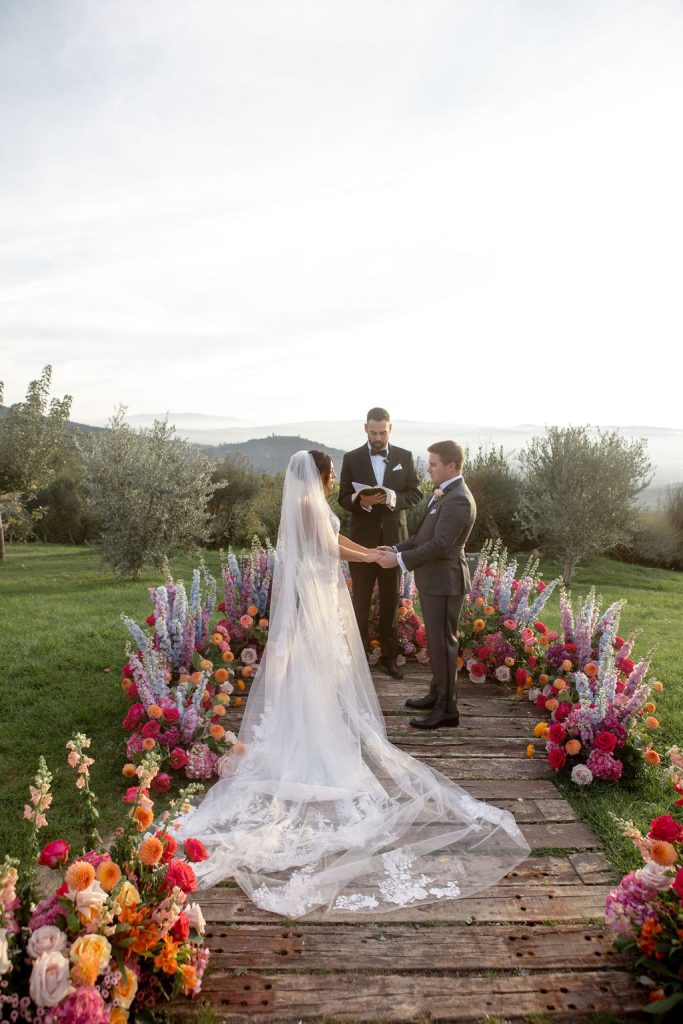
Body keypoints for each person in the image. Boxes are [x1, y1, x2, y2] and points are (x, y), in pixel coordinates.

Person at [171, 450, 529, 919]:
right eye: (332, 471)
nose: (337, 476)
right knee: (318, 668)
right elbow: (330, 547)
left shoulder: (312, 504)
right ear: (318, 475)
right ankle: (315, 742)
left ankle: (320, 729)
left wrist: (384, 554)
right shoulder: (307, 506)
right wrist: (379, 557)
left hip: (322, 592)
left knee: (323, 671)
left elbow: (333, 543)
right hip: (318, 597)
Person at [378, 441, 475, 730]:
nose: (428, 468)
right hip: (435, 580)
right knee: (437, 642)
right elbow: (422, 537)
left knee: (443, 644)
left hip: (446, 581)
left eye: (433, 464)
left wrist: (399, 561)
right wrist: (394, 548)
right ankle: (437, 695)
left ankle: (447, 709)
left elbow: (440, 545)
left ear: (451, 466)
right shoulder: (445, 493)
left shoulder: (458, 498)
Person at [338, 407, 422, 678]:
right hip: (361, 544)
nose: (378, 437)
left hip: (394, 543)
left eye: (382, 432)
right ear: (365, 429)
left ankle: (389, 656)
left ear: (390, 428)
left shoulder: (405, 457)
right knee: (360, 601)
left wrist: (393, 499)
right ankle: (357, 659)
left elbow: (417, 494)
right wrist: (360, 501)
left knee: (390, 600)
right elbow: (343, 497)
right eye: (373, 432)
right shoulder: (351, 458)